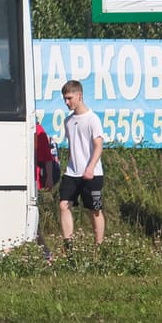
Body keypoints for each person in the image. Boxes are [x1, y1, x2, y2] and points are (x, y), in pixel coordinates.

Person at [57, 79, 105, 247]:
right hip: (72, 172)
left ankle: (99, 248)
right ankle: (68, 247)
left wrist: (90, 168)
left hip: (92, 173)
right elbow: (72, 145)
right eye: (64, 99)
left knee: (95, 210)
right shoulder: (68, 121)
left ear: (79, 96)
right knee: (63, 205)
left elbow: (99, 146)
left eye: (69, 98)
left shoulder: (92, 119)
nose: (66, 102)